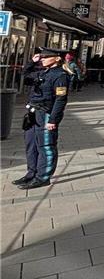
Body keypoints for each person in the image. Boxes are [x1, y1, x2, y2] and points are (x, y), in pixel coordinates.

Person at [13, 48, 71, 190]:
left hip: (46, 114)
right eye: (41, 57)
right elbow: (24, 77)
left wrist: (53, 120)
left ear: (57, 58)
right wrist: (31, 63)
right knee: (31, 144)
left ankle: (43, 177)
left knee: (45, 146)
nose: (42, 59)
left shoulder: (60, 75)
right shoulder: (44, 72)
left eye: (46, 57)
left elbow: (60, 100)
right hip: (33, 113)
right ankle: (31, 173)